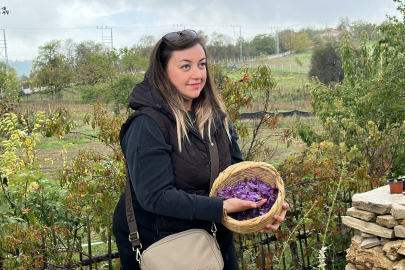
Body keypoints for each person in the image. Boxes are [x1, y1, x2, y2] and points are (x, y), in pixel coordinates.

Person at [112, 29, 289, 270]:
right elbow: (155, 196)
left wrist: (261, 209)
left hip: (216, 241)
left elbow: (238, 179)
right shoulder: (147, 125)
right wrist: (221, 207)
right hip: (166, 247)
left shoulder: (216, 118)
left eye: (202, 64)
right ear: (162, 72)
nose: (198, 74)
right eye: (186, 66)